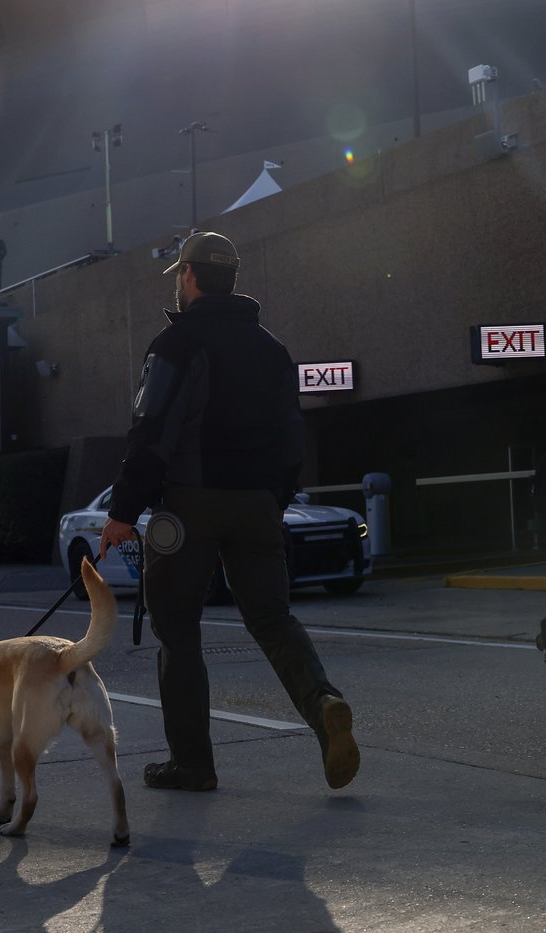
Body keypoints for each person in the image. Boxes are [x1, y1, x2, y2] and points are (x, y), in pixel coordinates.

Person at [101, 231, 359, 793]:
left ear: (190, 277)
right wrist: (274, 497)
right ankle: (324, 704)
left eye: (179, 275)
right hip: (258, 507)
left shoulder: (176, 345)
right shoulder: (271, 349)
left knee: (178, 630)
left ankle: (193, 763)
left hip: (190, 504)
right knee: (272, 619)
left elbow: (152, 433)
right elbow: (294, 438)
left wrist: (123, 509)